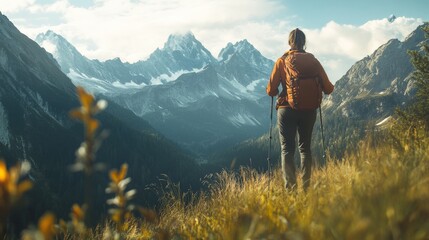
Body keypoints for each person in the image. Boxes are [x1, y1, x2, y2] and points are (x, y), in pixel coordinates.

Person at [266, 28, 334, 190]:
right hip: (309, 110)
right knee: (305, 148)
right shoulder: (314, 62)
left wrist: (279, 90)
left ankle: (291, 190)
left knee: (287, 149)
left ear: (290, 42)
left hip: (286, 110)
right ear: (304, 43)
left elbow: (271, 90)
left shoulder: (282, 61)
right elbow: (329, 88)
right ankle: (306, 187)